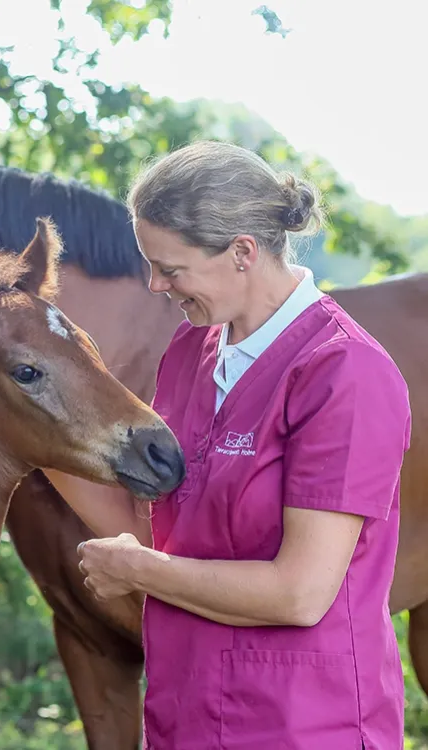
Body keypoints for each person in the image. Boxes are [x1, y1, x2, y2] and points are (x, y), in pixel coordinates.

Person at [75, 140, 411, 749]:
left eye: (171, 269)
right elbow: (167, 536)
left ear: (242, 253)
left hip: (304, 726)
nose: (155, 285)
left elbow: (300, 593)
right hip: (185, 717)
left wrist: (137, 570)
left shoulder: (345, 373)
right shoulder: (187, 354)